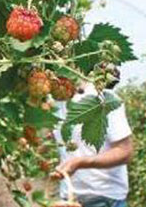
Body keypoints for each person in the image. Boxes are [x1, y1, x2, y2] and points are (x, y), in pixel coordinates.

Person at [52, 73, 134, 207]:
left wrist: (79, 163)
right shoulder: (56, 102)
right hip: (70, 197)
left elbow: (124, 151)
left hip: (104, 198)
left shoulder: (104, 99)